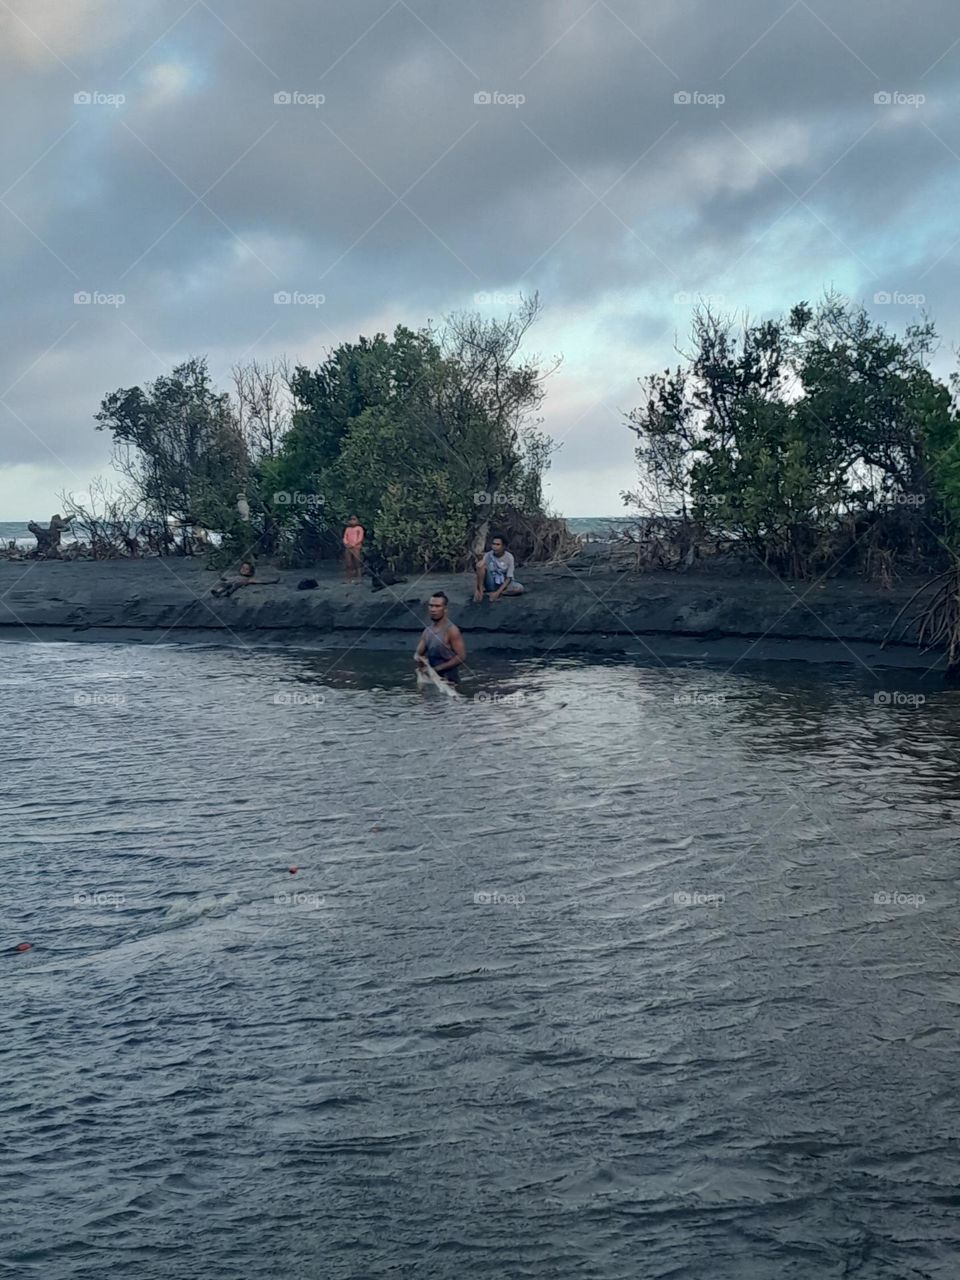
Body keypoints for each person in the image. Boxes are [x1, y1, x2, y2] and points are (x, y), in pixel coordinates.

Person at [414, 591, 466, 684]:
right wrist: (420, 661)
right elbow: (418, 654)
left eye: (437, 606)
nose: (433, 609)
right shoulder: (427, 631)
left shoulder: (452, 630)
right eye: (431, 606)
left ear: (445, 609)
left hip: (450, 681)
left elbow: (461, 657)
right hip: (433, 680)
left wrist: (436, 669)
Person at [474, 534, 524, 602]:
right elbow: (479, 568)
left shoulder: (509, 557)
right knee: (481, 566)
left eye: (498, 544)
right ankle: (481, 592)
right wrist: (478, 589)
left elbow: (509, 578)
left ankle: (497, 593)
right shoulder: (488, 555)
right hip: (491, 583)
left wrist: (497, 593)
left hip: (504, 585)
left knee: (519, 589)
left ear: (504, 546)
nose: (494, 547)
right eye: (493, 544)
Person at [211, 560, 277, 598]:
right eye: (242, 568)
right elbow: (226, 578)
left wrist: (272, 581)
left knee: (236, 584)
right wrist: (221, 576)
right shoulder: (236, 576)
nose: (244, 570)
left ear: (251, 572)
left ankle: (229, 593)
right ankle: (218, 592)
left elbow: (260, 581)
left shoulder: (249, 578)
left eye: (247, 569)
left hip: (239, 583)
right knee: (226, 584)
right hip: (231, 582)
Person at [343, 515, 365, 583]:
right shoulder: (348, 529)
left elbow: (360, 537)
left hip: (356, 547)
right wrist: (346, 543)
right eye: (351, 519)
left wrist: (354, 544)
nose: (352, 521)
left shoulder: (359, 528)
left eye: (354, 519)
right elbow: (345, 537)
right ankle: (349, 578)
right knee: (348, 563)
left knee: (357, 562)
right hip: (348, 547)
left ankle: (359, 578)